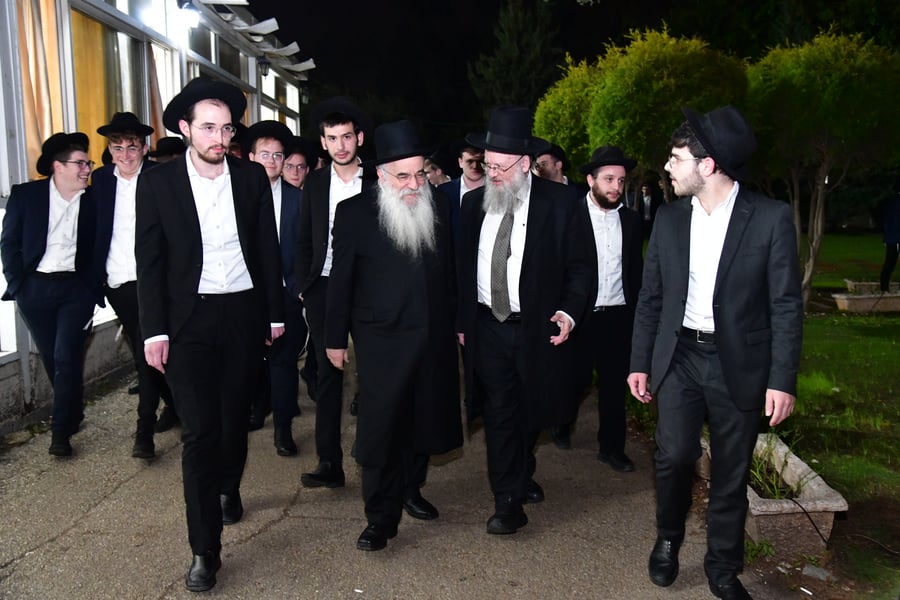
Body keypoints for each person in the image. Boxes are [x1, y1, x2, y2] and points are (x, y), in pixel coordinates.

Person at [627, 106, 802, 600]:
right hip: (680, 356)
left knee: (731, 470)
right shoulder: (668, 218)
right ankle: (668, 538)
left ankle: (723, 567)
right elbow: (652, 297)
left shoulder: (769, 218)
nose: (668, 167)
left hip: (738, 365)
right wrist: (640, 362)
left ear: (707, 166)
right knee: (673, 457)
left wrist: (782, 378)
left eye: (676, 158)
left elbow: (786, 305)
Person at [135, 77, 285, 592]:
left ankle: (229, 485)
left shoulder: (250, 178)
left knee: (234, 420)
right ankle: (204, 549)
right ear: (185, 128)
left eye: (225, 129)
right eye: (208, 128)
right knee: (199, 432)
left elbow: (267, 248)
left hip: (243, 313)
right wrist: (154, 330)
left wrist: (274, 314)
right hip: (188, 321)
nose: (219, 138)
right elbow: (149, 261)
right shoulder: (158, 183)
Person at [325, 120, 462, 551]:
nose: (414, 184)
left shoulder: (439, 204)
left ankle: (410, 489)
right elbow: (340, 281)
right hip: (380, 341)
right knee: (381, 429)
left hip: (432, 336)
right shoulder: (353, 213)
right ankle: (379, 519)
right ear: (382, 175)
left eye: (419, 174)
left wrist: (458, 323)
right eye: (403, 176)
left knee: (424, 417)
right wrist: (334, 338)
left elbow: (450, 272)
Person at [456, 106, 594, 535]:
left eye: (500, 166)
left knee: (532, 410)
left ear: (524, 164)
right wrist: (461, 320)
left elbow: (582, 268)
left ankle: (521, 470)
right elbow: (460, 269)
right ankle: (507, 501)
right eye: (487, 165)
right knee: (499, 412)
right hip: (487, 326)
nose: (492, 174)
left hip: (536, 328)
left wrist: (568, 312)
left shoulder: (563, 203)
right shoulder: (472, 204)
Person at [1, 132, 101, 457]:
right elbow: (9, 243)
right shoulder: (26, 196)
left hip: (76, 289)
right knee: (52, 357)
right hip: (35, 289)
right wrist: (19, 285)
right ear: (58, 167)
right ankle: (72, 409)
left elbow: (100, 246)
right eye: (81, 163)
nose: (87, 169)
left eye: (88, 163)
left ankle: (60, 433)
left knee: (64, 356)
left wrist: (92, 287)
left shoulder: (94, 200)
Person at [296, 96, 375, 489]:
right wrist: (304, 286)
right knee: (327, 377)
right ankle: (329, 463)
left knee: (374, 374)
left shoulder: (377, 179)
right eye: (332, 138)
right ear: (323, 142)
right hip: (324, 288)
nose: (340, 145)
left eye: (346, 136)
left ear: (358, 138)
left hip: (369, 289)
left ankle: (375, 456)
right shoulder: (314, 183)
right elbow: (304, 237)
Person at [552, 146, 643, 469]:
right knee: (574, 381)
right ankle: (562, 423)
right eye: (608, 179)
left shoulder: (632, 221)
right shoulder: (569, 217)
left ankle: (612, 448)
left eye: (620, 180)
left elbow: (636, 272)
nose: (616, 187)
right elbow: (558, 270)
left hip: (618, 317)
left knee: (614, 386)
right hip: (580, 317)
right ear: (591, 180)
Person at [92, 112, 176, 459]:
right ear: (110, 151)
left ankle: (144, 432)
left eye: (132, 147)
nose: (125, 155)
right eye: (118, 148)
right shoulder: (100, 180)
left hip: (154, 280)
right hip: (117, 280)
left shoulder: (161, 177)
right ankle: (176, 404)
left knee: (145, 353)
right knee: (149, 353)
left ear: (143, 148)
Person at [242, 120, 309, 456]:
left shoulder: (300, 200)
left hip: (286, 294)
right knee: (249, 360)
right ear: (250, 157)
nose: (272, 161)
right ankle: (256, 408)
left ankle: (283, 428)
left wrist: (299, 289)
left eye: (278, 155)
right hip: (245, 295)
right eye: (265, 154)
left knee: (283, 362)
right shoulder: (235, 197)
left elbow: (309, 248)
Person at [438, 141, 485, 240]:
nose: (475, 166)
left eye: (479, 161)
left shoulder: (497, 191)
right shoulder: (444, 192)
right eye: (470, 161)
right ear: (460, 162)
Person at [880, 183, 900, 292]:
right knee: (890, 262)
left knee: (889, 263)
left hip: (891, 237)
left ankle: (884, 287)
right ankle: (884, 287)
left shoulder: (891, 201)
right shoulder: (896, 202)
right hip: (895, 238)